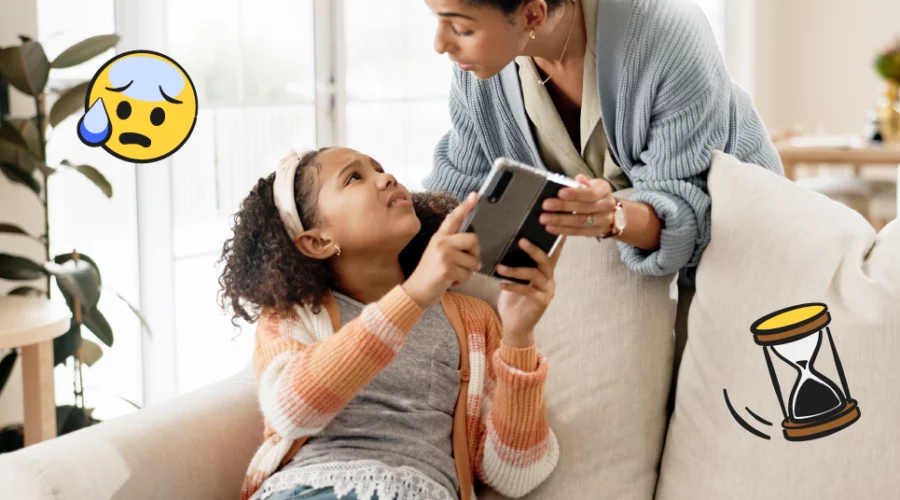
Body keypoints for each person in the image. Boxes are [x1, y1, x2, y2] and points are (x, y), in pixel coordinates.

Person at [218, 147, 561, 500]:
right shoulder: (295, 314)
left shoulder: (474, 322)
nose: (387, 178)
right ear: (318, 241)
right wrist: (414, 295)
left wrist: (519, 337)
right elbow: (291, 410)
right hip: (310, 489)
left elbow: (516, 475)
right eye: (354, 177)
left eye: (379, 168)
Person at [424, 0, 783, 279]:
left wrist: (611, 217)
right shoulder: (479, 71)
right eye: (437, 19)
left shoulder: (665, 32)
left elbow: (687, 209)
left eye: (459, 27)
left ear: (533, 14)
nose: (440, 44)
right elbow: (457, 190)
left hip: (740, 243)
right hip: (621, 272)